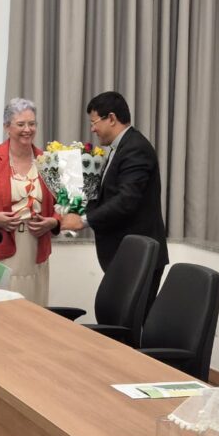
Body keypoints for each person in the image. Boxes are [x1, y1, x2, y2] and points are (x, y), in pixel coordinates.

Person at [60, 91, 169, 318]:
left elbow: (126, 200)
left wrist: (83, 221)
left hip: (139, 257)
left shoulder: (136, 148)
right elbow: (107, 197)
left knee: (132, 325)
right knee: (119, 321)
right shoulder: (120, 148)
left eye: (94, 122)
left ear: (111, 118)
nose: (92, 129)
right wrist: (69, 209)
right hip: (125, 256)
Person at [0, 98, 60, 306]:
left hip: (36, 248)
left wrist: (53, 222)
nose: (27, 130)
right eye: (21, 124)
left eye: (32, 124)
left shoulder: (47, 161)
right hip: (1, 248)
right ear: (7, 127)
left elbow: (64, 202)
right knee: (5, 310)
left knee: (35, 308)